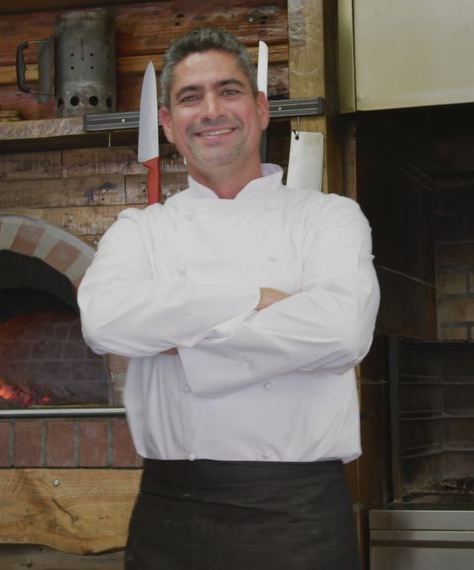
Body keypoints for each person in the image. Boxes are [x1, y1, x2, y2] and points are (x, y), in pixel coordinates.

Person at [77, 28, 379, 570]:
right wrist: (257, 298)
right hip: (173, 510)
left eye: (229, 91)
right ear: (168, 124)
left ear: (262, 109)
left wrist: (176, 335)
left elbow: (342, 331)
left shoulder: (327, 217)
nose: (211, 110)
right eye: (190, 97)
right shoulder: (141, 229)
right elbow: (105, 322)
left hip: (298, 514)